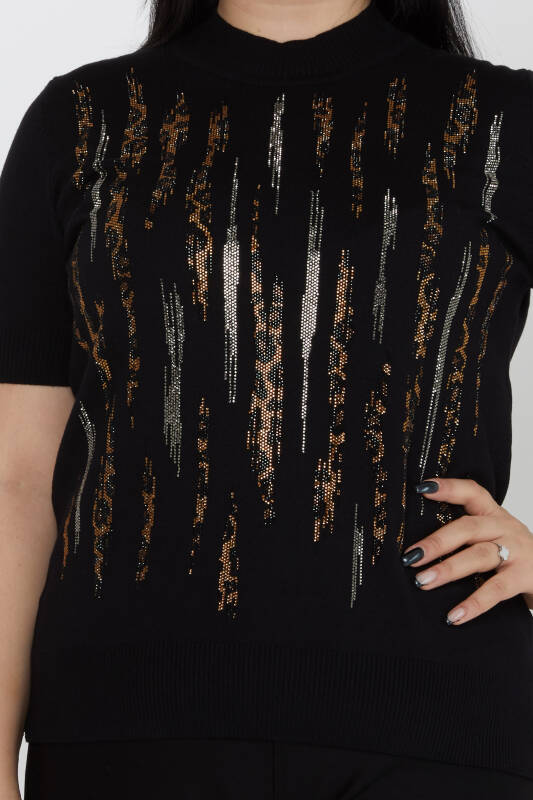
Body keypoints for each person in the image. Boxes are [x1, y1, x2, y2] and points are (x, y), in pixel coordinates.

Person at [1, 0, 533, 796]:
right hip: (119, 724)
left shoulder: (501, 122)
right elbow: (16, 480)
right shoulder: (84, 122)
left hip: (438, 729)